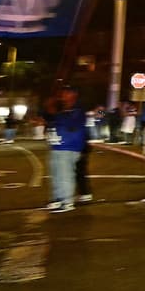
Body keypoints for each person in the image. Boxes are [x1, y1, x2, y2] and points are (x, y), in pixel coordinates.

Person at [45, 85, 88, 213]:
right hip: (57, 145)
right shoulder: (62, 109)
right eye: (62, 93)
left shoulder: (78, 109)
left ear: (73, 94)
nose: (62, 96)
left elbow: (70, 124)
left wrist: (55, 113)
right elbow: (49, 119)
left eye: (65, 93)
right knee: (56, 174)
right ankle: (57, 198)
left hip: (69, 147)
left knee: (65, 174)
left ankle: (67, 201)